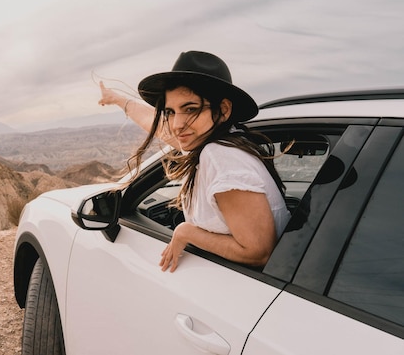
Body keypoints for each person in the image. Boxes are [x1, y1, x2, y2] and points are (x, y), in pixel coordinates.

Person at [98, 51, 291, 272]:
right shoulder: (229, 139)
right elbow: (161, 127)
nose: (177, 124)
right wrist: (117, 99)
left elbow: (259, 252)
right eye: (170, 112)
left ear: (224, 110)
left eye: (190, 109)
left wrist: (186, 232)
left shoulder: (219, 156)